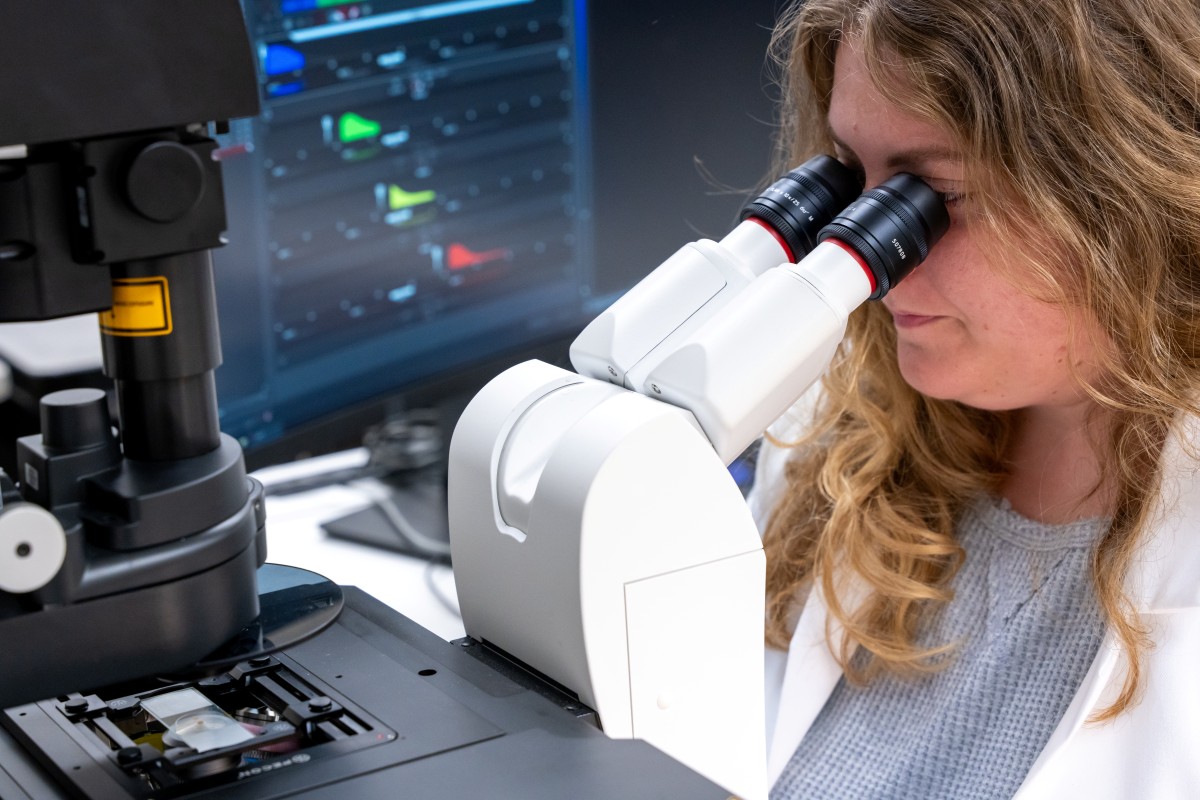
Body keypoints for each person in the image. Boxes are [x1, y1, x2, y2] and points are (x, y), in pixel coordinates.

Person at [746, 0, 1200, 797]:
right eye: (853, 177)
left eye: (936, 197)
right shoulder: (828, 425)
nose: (872, 258)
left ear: (1129, 193)